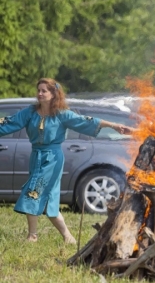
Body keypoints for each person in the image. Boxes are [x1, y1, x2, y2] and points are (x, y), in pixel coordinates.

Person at [0, 78, 135, 244]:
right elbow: (9, 122)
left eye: (44, 91)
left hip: (53, 159)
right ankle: (68, 237)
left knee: (32, 191)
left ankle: (32, 236)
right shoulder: (30, 112)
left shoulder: (61, 114)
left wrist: (114, 126)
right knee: (49, 200)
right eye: (39, 90)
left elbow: (86, 121)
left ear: (53, 94)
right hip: (36, 157)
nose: (40, 94)